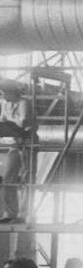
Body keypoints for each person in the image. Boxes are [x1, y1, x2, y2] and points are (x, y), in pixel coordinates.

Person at [0, 82, 33, 224]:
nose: (4, 97)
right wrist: (10, 124)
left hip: (28, 142)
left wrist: (10, 123)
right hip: (14, 143)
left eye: (5, 94)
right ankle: (10, 212)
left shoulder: (24, 102)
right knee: (8, 178)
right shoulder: (5, 104)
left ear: (13, 93)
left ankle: (24, 213)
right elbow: (3, 121)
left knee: (27, 178)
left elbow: (23, 121)